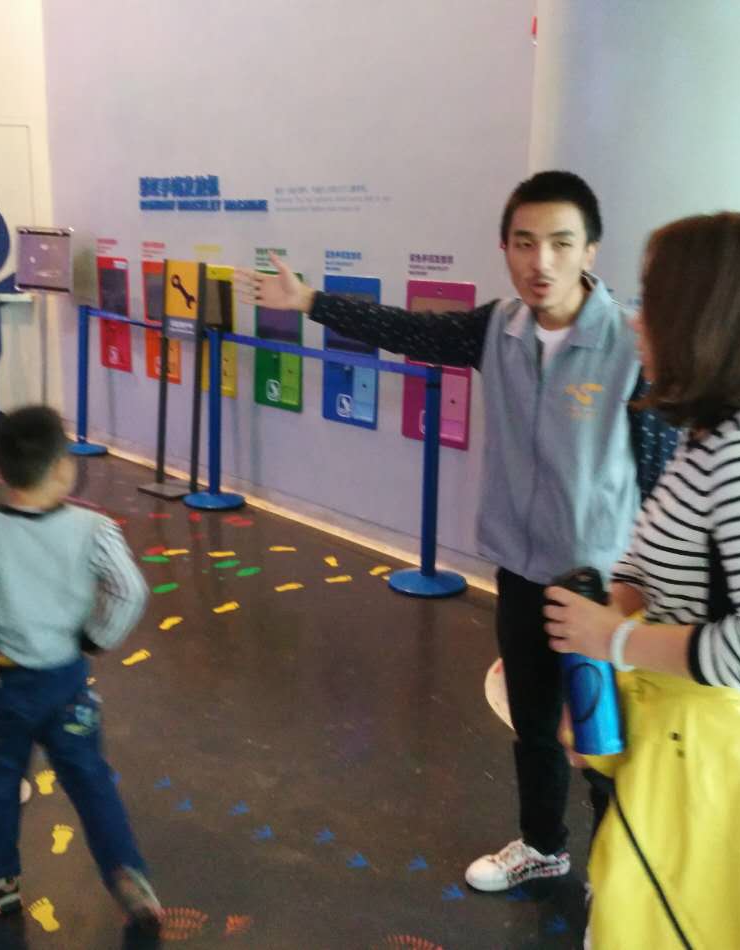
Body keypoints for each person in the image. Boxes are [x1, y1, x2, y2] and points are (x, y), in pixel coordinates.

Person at [235, 171, 677, 892]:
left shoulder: (630, 347)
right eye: (524, 243)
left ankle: (617, 881)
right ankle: (543, 845)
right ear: (505, 249)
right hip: (520, 570)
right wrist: (310, 301)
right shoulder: (498, 328)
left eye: (561, 243)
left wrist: (647, 592)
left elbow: (659, 477)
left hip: (603, 586)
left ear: (591, 251)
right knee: (533, 723)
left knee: (605, 742)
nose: (541, 262)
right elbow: (410, 330)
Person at [543, 212, 740, 948]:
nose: (635, 321)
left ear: (702, 318)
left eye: (651, 301)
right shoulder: (738, 429)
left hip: (722, 769)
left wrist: (612, 641)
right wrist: (615, 610)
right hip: (714, 751)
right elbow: (670, 556)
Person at [0, 405, 164, 933]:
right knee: (90, 779)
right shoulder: (94, 529)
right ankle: (125, 871)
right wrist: (94, 638)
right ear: (62, 468)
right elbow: (129, 590)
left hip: (1, 688)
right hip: (67, 685)